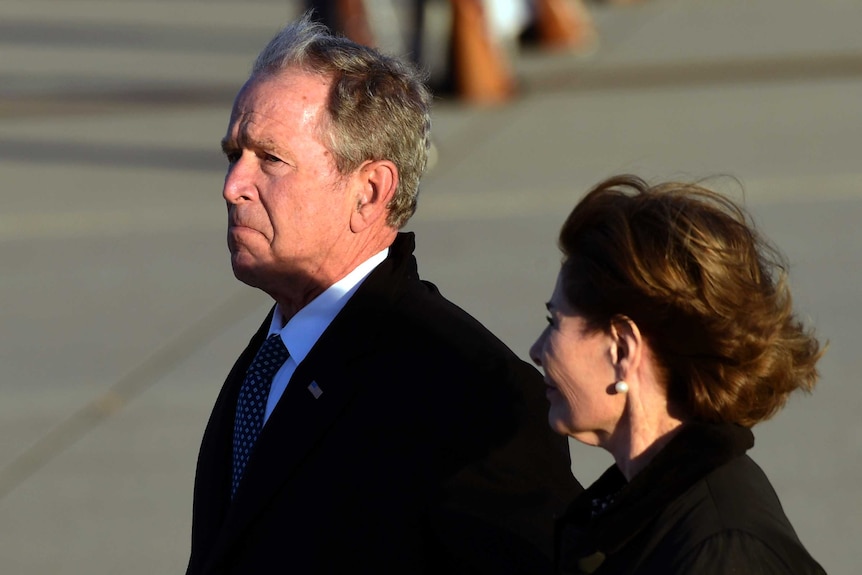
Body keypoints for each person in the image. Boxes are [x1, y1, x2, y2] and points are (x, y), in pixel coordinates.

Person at [185, 13, 581, 575]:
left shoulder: (468, 393)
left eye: (270, 159)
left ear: (370, 191)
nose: (233, 186)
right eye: (234, 154)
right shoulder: (271, 359)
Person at [529, 175, 826, 574]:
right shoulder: (641, 512)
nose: (536, 351)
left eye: (555, 321)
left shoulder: (719, 552)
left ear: (622, 350)